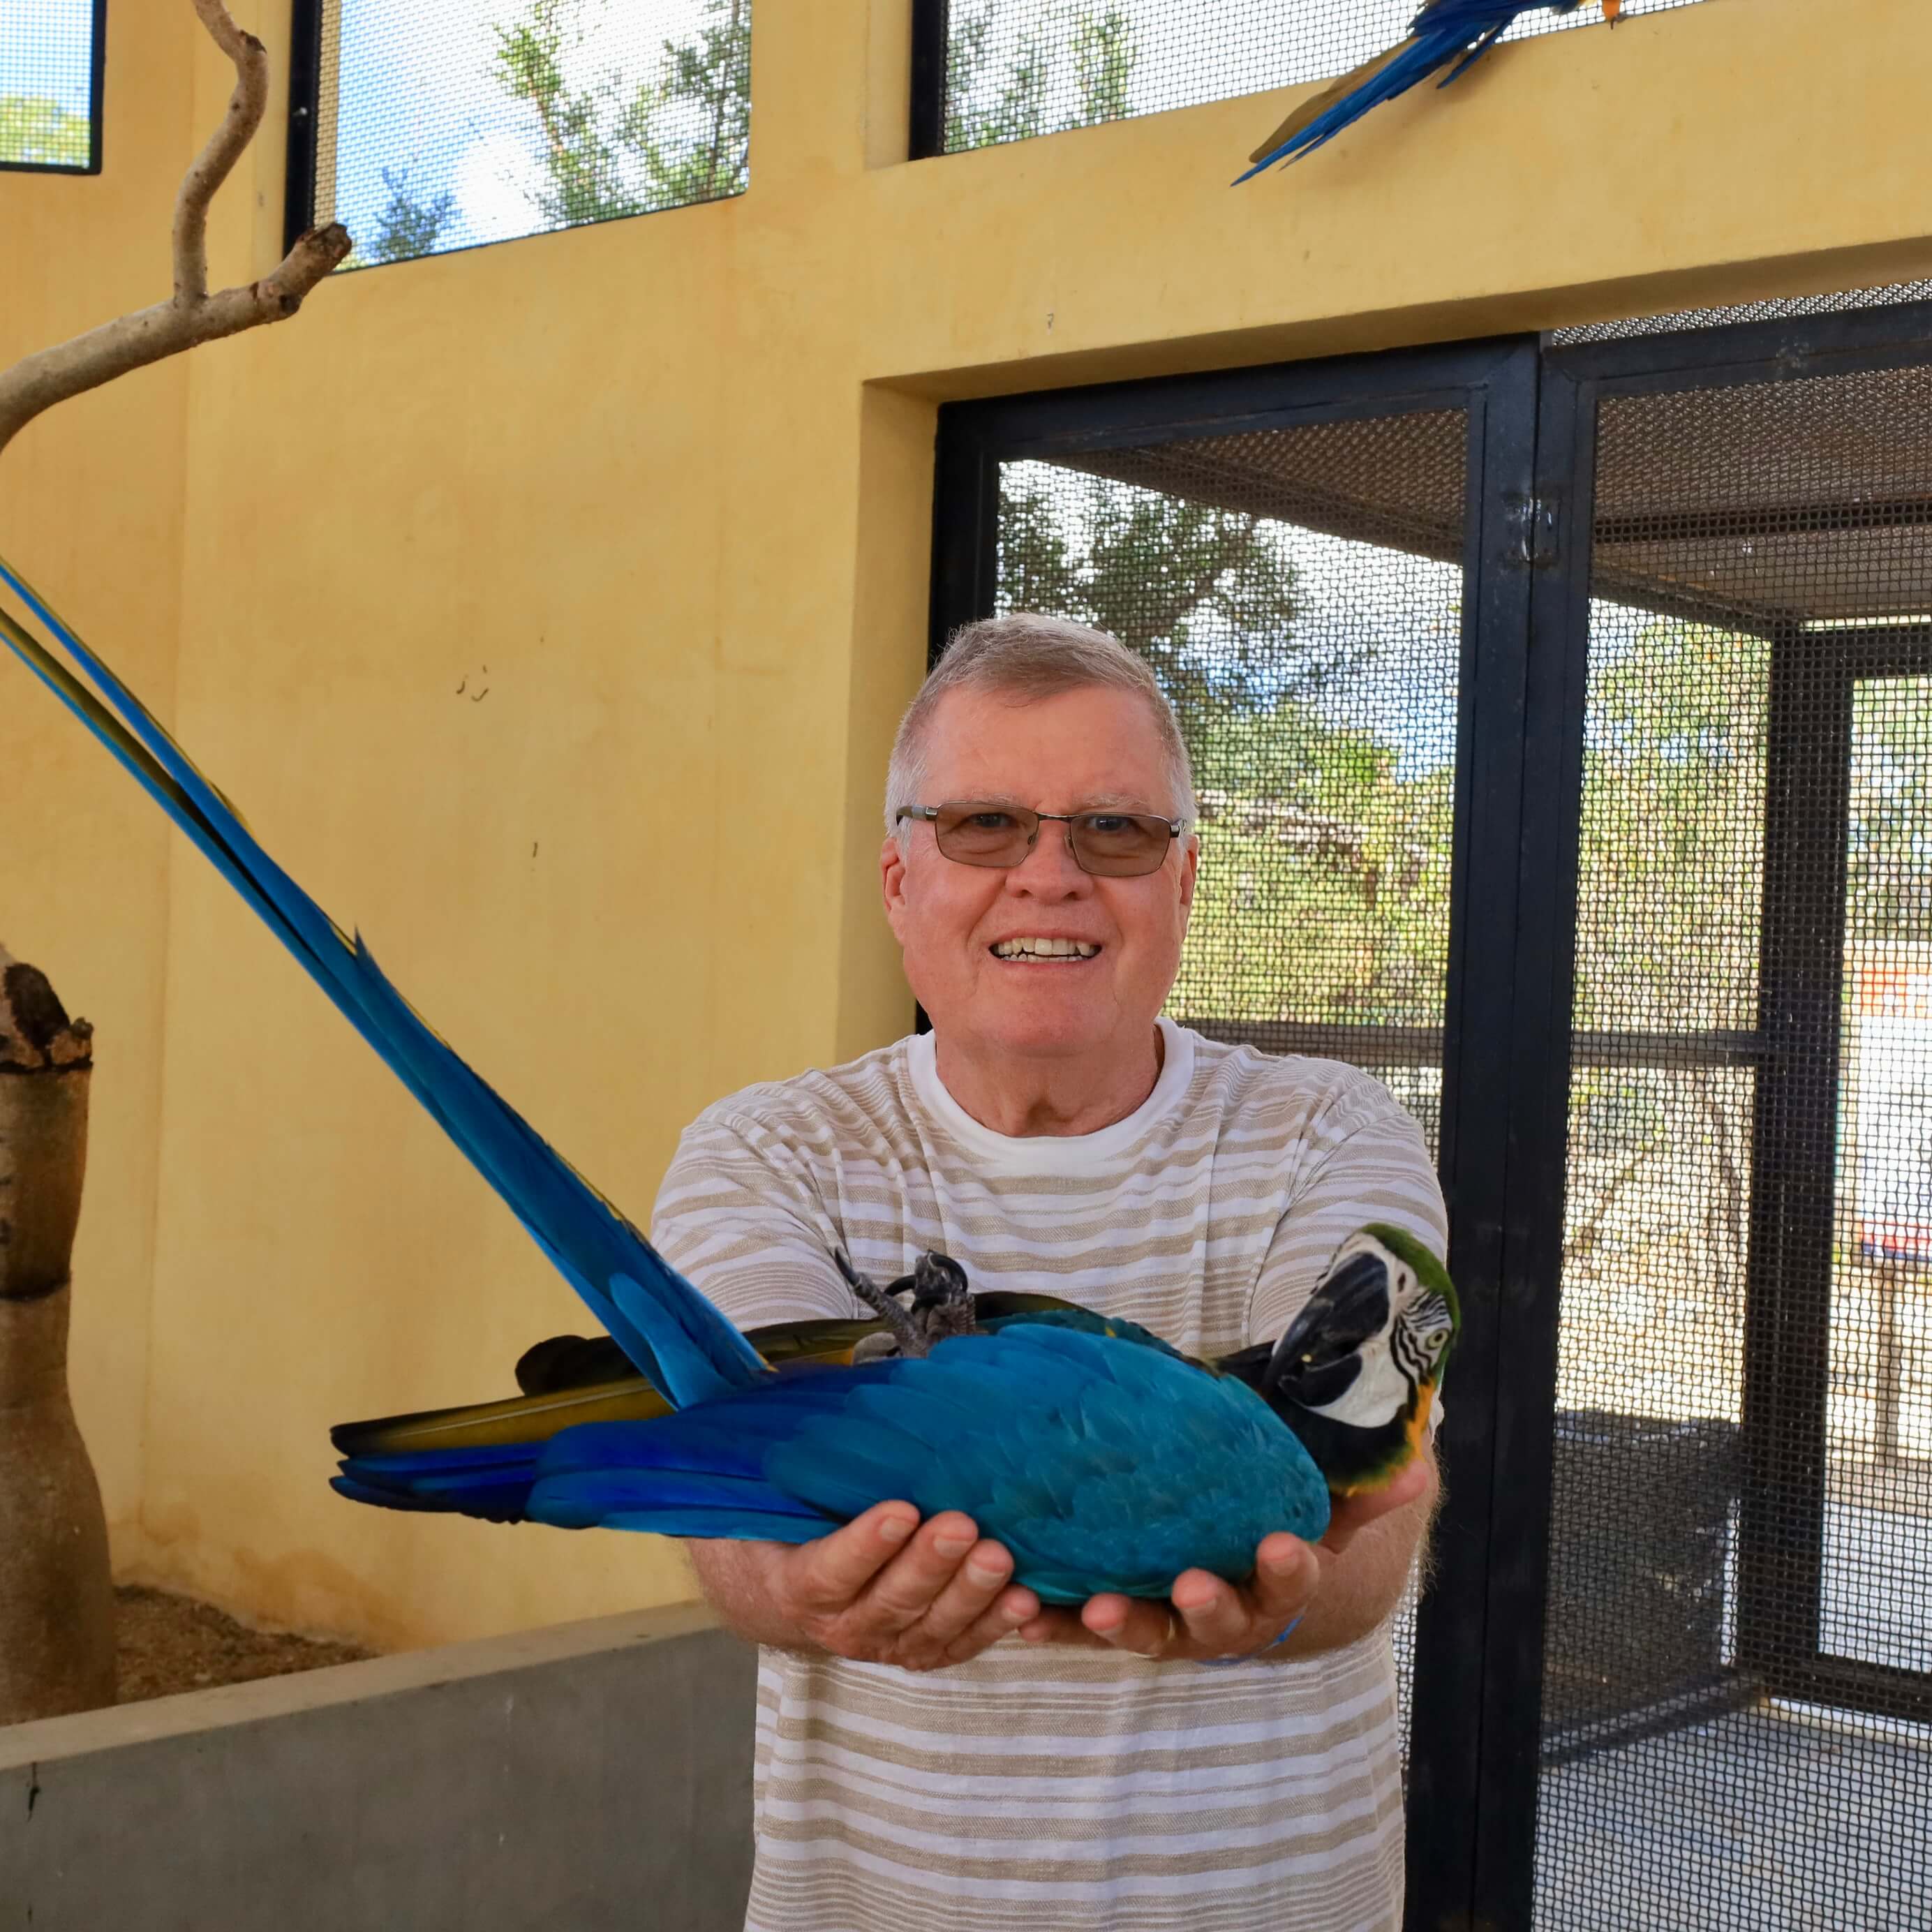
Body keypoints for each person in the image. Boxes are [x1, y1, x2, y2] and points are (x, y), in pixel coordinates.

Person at [651, 614, 1447, 1932]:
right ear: (900, 881)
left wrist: (1301, 1574)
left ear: (1182, 885)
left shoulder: (1331, 1131)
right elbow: (740, 1491)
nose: (1050, 875)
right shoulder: (769, 1151)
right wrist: (790, 1584)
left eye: (1114, 832)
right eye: (985, 826)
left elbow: (1365, 1519)